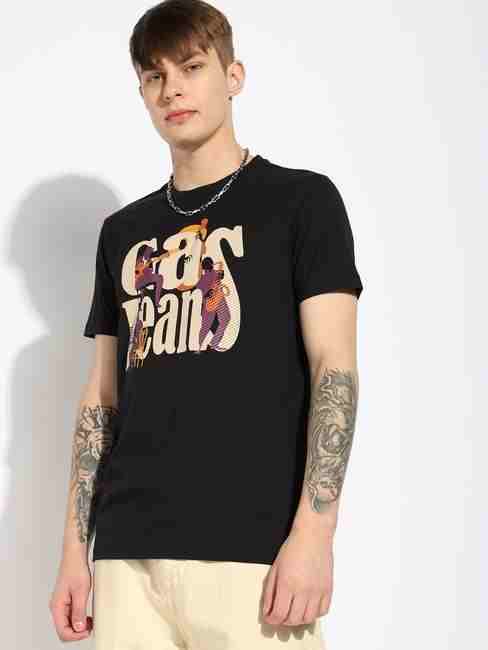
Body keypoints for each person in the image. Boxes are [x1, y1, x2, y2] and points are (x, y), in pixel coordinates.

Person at [48, 1, 364, 648]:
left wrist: (315, 532)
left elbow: (334, 368)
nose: (173, 90)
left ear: (233, 76)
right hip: (128, 555)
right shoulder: (123, 233)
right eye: (154, 76)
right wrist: (75, 551)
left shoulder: (302, 203)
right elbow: (101, 398)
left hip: (254, 553)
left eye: (191, 67)